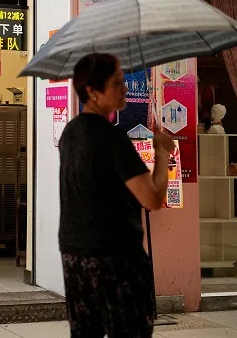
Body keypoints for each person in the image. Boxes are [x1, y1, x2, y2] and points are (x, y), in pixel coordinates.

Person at [58, 53, 176, 338]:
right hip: (116, 257)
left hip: (75, 255)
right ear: (92, 92)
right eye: (116, 83)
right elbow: (152, 198)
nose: (125, 88)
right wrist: (161, 152)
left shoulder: (70, 134)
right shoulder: (112, 139)